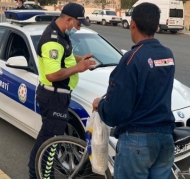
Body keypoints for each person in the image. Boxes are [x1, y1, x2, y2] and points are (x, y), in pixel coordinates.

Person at [93, 2, 176, 179]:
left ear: (133, 24)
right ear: (156, 26)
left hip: (138, 141)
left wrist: (100, 105)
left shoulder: (131, 59)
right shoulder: (168, 54)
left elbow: (116, 111)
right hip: (165, 138)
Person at [27, 2, 96, 179]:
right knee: (52, 142)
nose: (79, 29)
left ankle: (36, 172)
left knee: (47, 138)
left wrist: (81, 59)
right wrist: (78, 68)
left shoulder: (61, 35)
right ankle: (42, 175)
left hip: (57, 96)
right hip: (53, 97)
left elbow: (65, 57)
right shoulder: (53, 41)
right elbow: (52, 74)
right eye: (78, 24)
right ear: (69, 20)